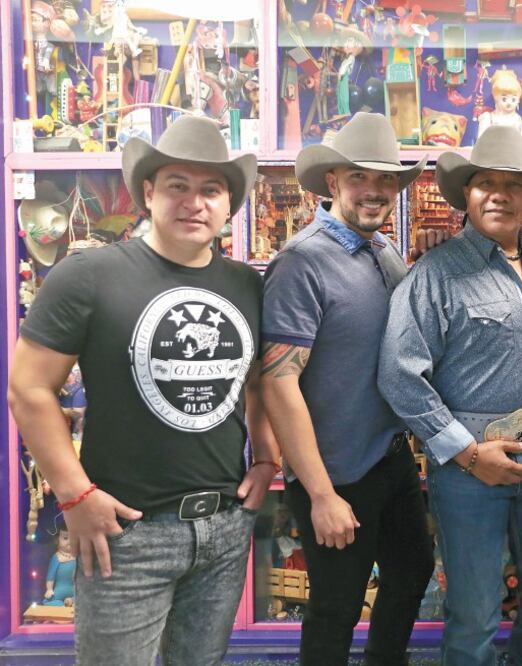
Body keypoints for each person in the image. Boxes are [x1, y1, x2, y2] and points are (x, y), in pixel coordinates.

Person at [8, 115, 279, 665]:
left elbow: (259, 383)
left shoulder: (249, 285)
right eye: (178, 186)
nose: (194, 202)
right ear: (149, 193)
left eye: (211, 190)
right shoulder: (87, 276)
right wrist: (74, 495)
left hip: (224, 528)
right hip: (125, 533)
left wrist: (267, 458)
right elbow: (28, 388)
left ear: (229, 206)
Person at [378, 125, 522, 666]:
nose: (499, 194)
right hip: (467, 465)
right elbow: (399, 375)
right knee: (475, 608)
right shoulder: (435, 272)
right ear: (466, 193)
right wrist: (465, 452)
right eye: (486, 182)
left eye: (514, 184)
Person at [259, 112, 436, 666]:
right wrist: (320, 494)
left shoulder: (381, 250)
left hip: (387, 458)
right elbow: (278, 382)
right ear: (333, 181)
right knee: (336, 606)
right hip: (335, 472)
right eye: (361, 177)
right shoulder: (302, 261)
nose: (375, 190)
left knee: (412, 571)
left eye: (386, 179)